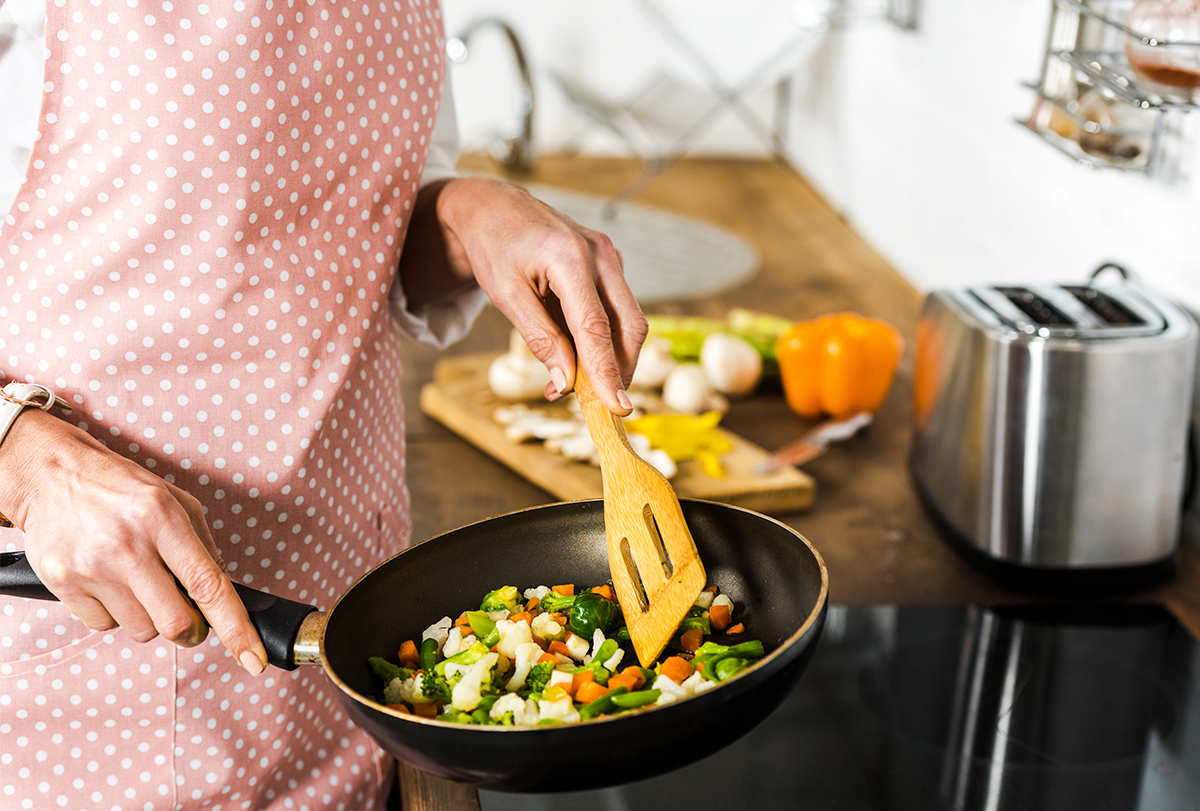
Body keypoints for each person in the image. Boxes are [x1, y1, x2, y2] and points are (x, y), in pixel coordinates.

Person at [0, 0, 647, 807]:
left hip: (349, 647)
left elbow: (353, 227)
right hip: (77, 686)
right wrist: (26, 463)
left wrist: (465, 215)